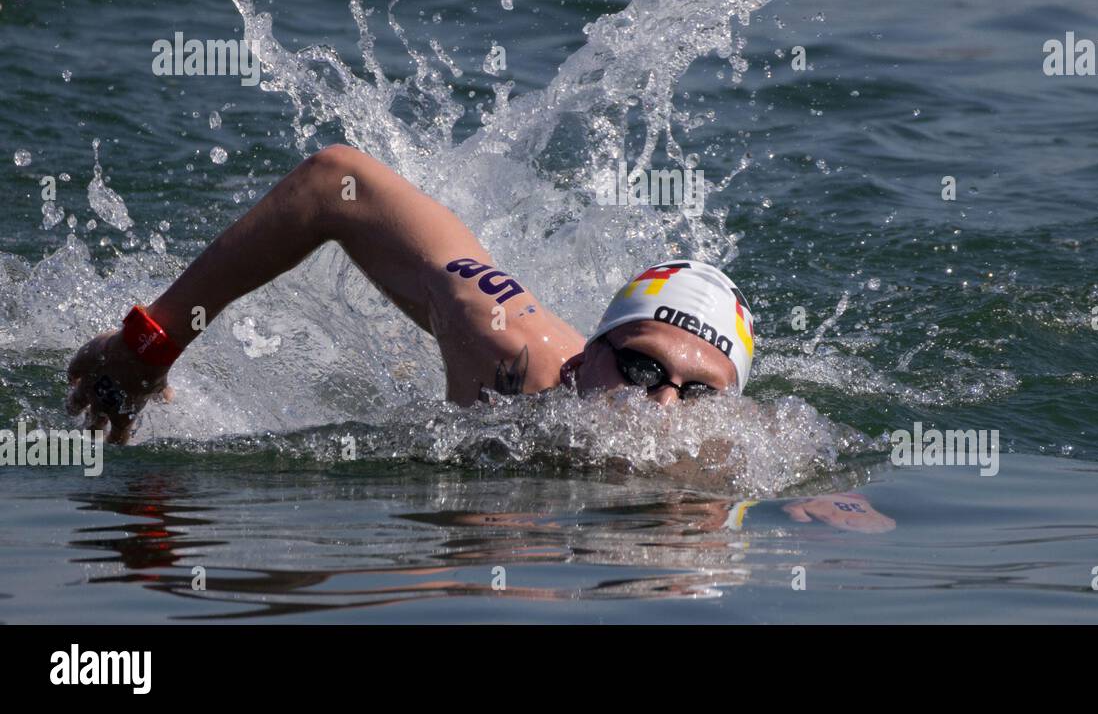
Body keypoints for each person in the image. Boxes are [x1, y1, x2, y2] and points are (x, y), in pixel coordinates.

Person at [64, 144, 894, 532]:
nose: (658, 409)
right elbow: (335, 184)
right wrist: (150, 344)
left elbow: (845, 499)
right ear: (587, 357)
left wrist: (814, 497)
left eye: (696, 392)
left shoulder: (734, 453)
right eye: (637, 369)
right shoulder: (514, 351)